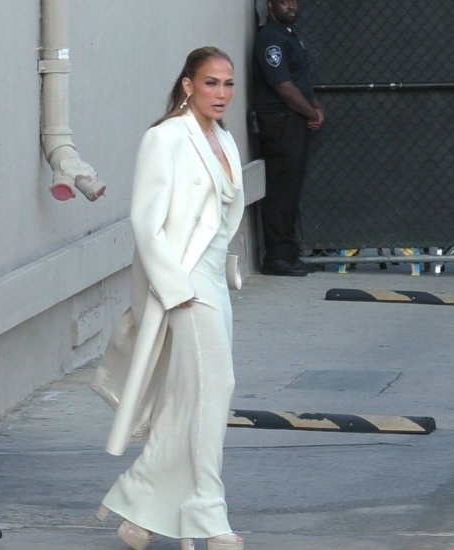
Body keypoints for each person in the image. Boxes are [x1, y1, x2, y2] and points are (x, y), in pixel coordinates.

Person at [92, 47, 245, 550]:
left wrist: (228, 272)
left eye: (227, 84)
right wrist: (176, 291)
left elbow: (222, 223)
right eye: (210, 83)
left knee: (191, 398)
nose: (220, 94)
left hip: (214, 285)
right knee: (215, 385)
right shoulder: (165, 139)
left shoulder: (223, 138)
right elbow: (145, 222)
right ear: (187, 86)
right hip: (183, 286)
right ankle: (207, 513)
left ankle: (139, 507)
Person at [253, 0, 324, 276]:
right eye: (284, 1)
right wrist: (312, 113)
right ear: (270, 5)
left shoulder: (287, 36)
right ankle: (278, 257)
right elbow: (283, 86)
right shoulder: (270, 38)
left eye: (295, 1)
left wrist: (315, 107)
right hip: (281, 123)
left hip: (293, 121)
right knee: (281, 191)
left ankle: (288, 252)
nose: (291, 6)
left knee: (290, 189)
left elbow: (300, 80)